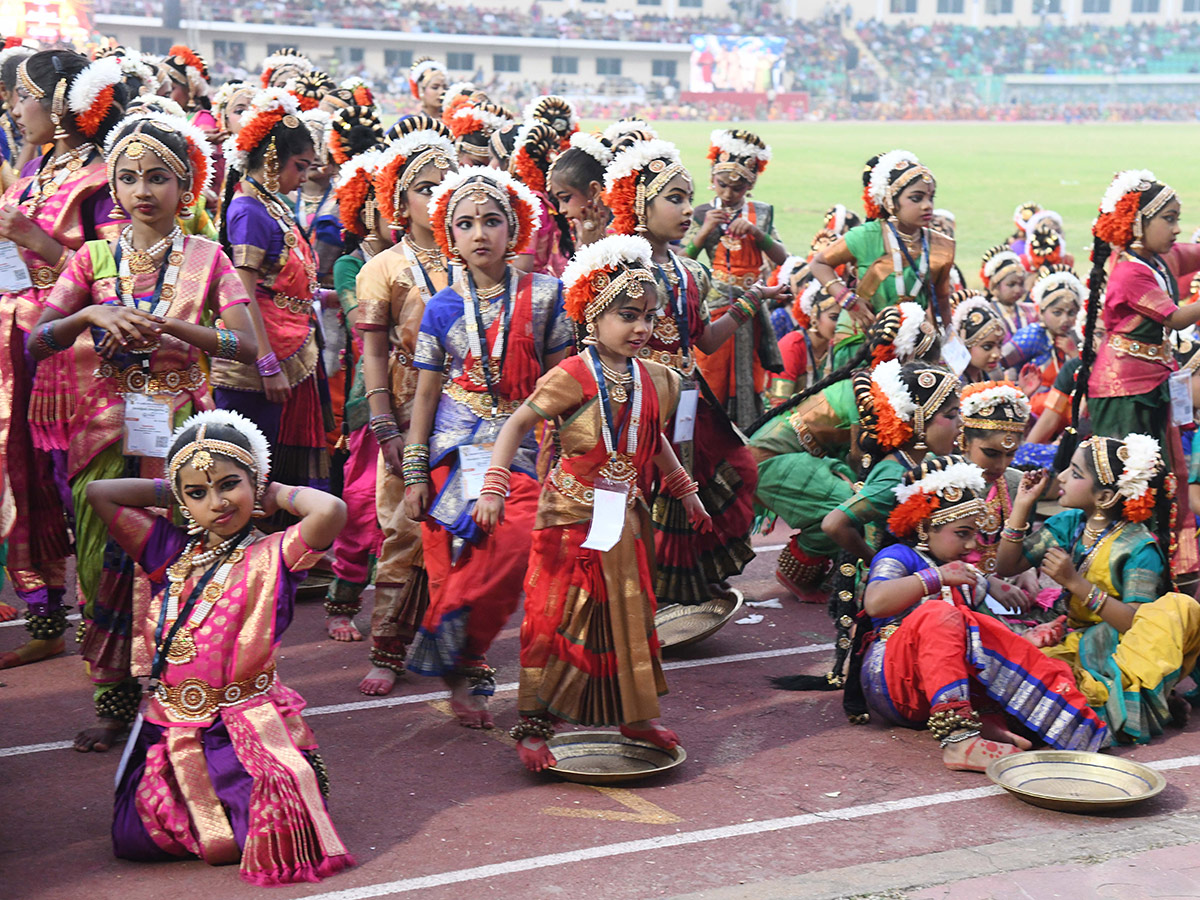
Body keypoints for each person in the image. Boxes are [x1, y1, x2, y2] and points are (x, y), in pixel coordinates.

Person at [33, 110, 258, 749]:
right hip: (104, 430)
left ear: (184, 187)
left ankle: (178, 688)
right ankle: (113, 697)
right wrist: (91, 315)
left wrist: (174, 331)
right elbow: (38, 342)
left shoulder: (209, 260)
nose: (141, 190)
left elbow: (245, 345)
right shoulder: (90, 260)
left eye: (157, 177)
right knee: (105, 558)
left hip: (183, 432)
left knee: (179, 560)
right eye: (128, 178)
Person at [85, 410, 353, 884]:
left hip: (242, 726)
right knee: (133, 840)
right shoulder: (168, 550)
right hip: (167, 727)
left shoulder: (276, 554)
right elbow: (99, 492)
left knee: (273, 838)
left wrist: (275, 494)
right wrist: (174, 484)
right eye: (197, 493)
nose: (217, 502)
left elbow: (330, 510)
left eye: (230, 484)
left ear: (256, 482)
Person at [477, 235, 711, 772]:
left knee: (631, 617)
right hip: (569, 518)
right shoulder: (573, 376)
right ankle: (536, 724)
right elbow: (516, 424)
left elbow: (651, 443)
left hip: (626, 516)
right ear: (593, 315)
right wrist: (494, 484)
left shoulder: (656, 378)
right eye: (627, 315)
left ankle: (634, 716)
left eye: (649, 317)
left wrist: (686, 492)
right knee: (556, 617)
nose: (642, 328)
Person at [402, 167, 572, 727]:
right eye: (467, 223)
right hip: (457, 440)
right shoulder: (441, 307)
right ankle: (466, 659)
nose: (481, 233)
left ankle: (453, 644)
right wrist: (414, 471)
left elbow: (560, 381)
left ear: (514, 227)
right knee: (483, 539)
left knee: (518, 537)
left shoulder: (547, 297)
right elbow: (425, 395)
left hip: (526, 437)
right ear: (450, 234)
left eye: (492, 221)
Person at [603, 138, 775, 606]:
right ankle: (643, 592)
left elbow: (703, 339)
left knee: (735, 470)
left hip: (689, 399)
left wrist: (751, 301)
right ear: (640, 204)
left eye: (686, 198)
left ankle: (687, 577)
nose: (686, 210)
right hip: (637, 397)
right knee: (649, 493)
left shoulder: (689, 271)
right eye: (674, 199)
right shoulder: (618, 264)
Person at [0, 50, 128, 671]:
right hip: (20, 354)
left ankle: (106, 637)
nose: (14, 108)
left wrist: (32, 240)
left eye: (22, 96)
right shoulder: (41, 167)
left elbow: (111, 276)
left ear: (58, 102)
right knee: (25, 482)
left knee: (75, 489)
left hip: (74, 361)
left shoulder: (106, 178)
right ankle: (45, 617)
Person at [861, 454, 1106, 770]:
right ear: (924, 528)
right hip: (894, 683)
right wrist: (936, 577)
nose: (970, 545)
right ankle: (960, 740)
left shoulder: (964, 574)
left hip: (936, 690)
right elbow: (875, 602)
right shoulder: (899, 556)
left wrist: (1025, 639)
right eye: (962, 534)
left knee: (1015, 652)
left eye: (974, 535)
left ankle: (991, 725)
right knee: (940, 615)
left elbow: (978, 638)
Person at [997, 436, 1200, 743]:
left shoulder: (1138, 546)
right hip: (1074, 638)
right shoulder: (1071, 523)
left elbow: (1136, 623)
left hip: (1120, 647)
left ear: (1104, 495)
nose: (1061, 476)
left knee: (1044, 689)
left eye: (1075, 473)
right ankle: (1158, 702)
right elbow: (1007, 567)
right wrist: (1023, 505)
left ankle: (1143, 699)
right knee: (1010, 670)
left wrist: (1076, 584)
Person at [354, 121, 458, 694]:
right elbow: (371, 350)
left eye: (446, 185)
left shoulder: (469, 253)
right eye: (424, 186)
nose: (436, 197)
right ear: (400, 198)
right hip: (402, 403)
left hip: (464, 410)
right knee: (401, 528)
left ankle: (455, 644)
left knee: (462, 527)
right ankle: (389, 647)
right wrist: (384, 425)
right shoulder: (383, 268)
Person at [1072, 169, 1200, 585]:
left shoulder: (1160, 258)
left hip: (1150, 381)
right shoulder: (1130, 271)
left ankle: (1157, 562)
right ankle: (1113, 569)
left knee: (1159, 477)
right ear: (1140, 223)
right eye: (1170, 218)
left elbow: (1192, 252)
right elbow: (1178, 317)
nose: (1177, 228)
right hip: (1123, 388)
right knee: (1126, 479)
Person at [215, 88, 330, 500]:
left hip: (289, 346)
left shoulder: (273, 203)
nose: (304, 177)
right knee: (251, 466)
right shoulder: (248, 208)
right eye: (300, 166)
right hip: (258, 364)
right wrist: (265, 363)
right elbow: (242, 296)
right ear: (270, 159)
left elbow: (281, 280)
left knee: (270, 462)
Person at [320, 107, 389, 648]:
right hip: (372, 398)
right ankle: (344, 596)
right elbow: (362, 318)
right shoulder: (352, 265)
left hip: (428, 396)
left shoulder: (429, 259)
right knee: (363, 500)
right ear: (365, 208)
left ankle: (402, 610)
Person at [684, 128, 786, 429]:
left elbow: (782, 257)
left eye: (737, 188)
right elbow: (684, 260)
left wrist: (757, 233)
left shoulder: (761, 214)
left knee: (750, 373)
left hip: (753, 308)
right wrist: (703, 232)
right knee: (712, 371)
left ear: (750, 186)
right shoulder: (701, 212)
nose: (728, 194)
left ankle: (748, 430)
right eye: (722, 185)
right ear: (712, 178)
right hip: (716, 305)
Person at [811, 150, 955, 346]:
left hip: (914, 340)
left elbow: (941, 301)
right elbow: (818, 263)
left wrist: (948, 343)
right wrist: (847, 300)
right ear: (891, 202)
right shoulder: (865, 236)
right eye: (916, 198)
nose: (927, 206)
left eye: (931, 197)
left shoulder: (941, 246)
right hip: (863, 338)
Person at [1000, 267, 1084, 418]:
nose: (1065, 319)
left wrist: (1074, 354)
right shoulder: (1034, 335)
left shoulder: (1076, 337)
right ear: (1041, 311)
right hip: (1033, 410)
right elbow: (998, 362)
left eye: (1071, 313)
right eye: (1057, 313)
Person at [509, 120, 571, 276]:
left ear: (519, 162)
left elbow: (522, 266)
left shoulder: (529, 204)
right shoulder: (544, 200)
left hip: (528, 290)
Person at [766, 278, 839, 404]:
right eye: (834, 317)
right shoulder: (792, 346)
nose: (840, 324)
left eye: (844, 317)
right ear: (814, 315)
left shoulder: (838, 346)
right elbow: (779, 404)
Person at [546, 130, 614, 248]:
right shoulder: (580, 230)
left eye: (565, 198)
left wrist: (591, 246)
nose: (562, 210)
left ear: (593, 191)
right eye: (559, 201)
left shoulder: (624, 235)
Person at [979, 243, 1032, 342]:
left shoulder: (1030, 312)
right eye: (1011, 284)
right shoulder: (986, 313)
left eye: (1021, 284)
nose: (1017, 290)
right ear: (995, 286)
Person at [951, 291, 1004, 384]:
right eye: (987, 347)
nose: (997, 354)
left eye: (999, 345)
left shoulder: (995, 375)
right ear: (965, 345)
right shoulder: (953, 383)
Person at [408, 57, 447, 122]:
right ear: (421, 90)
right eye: (435, 87)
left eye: (445, 87)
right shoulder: (410, 124)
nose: (441, 91)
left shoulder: (455, 122)